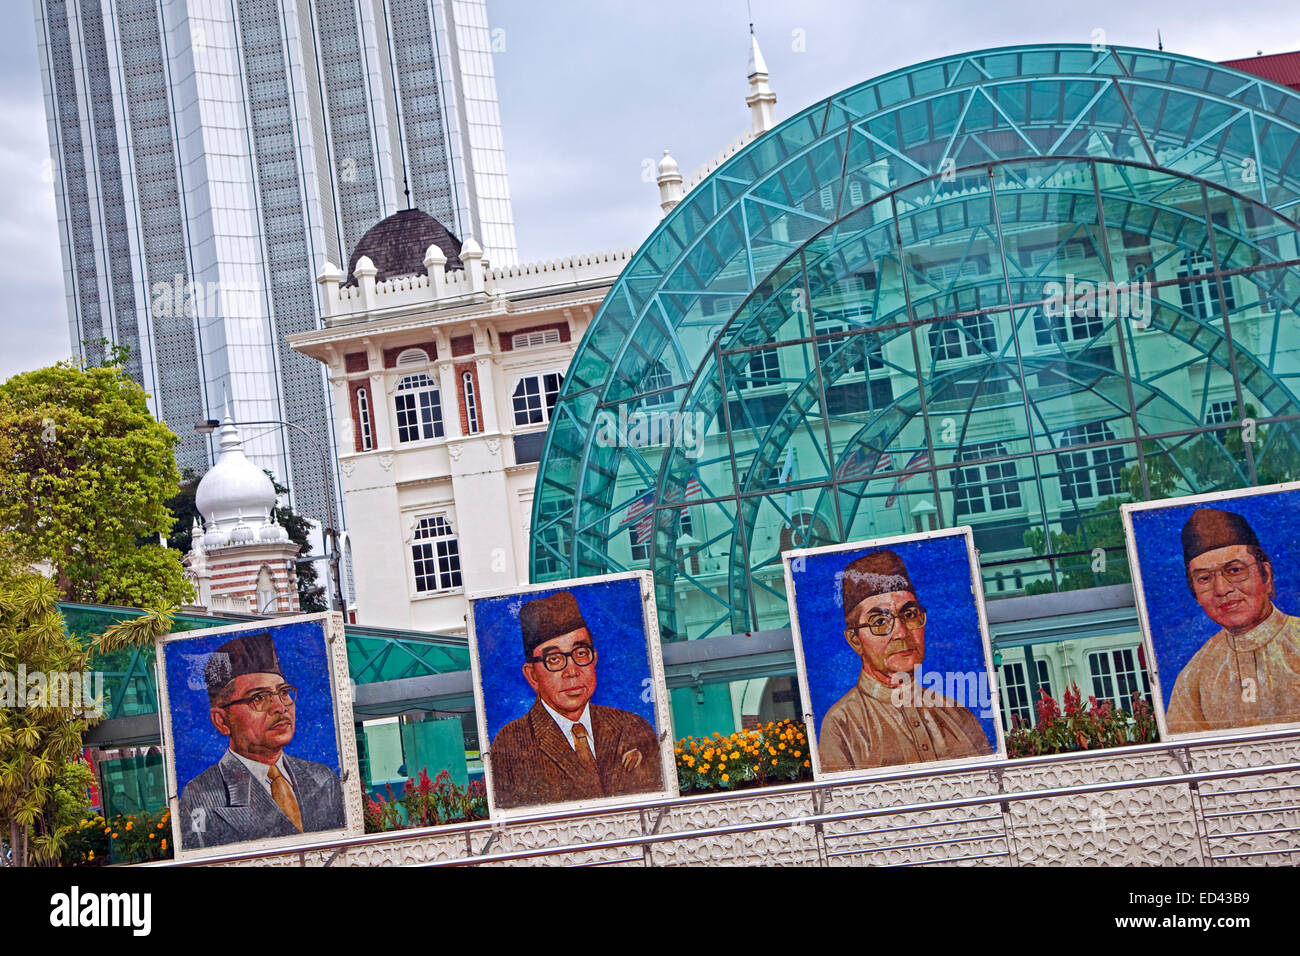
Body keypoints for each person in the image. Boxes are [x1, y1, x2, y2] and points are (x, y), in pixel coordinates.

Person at [818, 549, 992, 772]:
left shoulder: (955, 713)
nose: (901, 632)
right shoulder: (842, 725)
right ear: (855, 640)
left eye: (909, 615)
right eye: (880, 621)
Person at [488, 591, 663, 809]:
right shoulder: (510, 745)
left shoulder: (633, 728)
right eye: (554, 659)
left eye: (580, 653)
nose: (572, 671)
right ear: (532, 675)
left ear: (594, 659)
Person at [177, 632, 345, 850]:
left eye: (283, 692)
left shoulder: (322, 778)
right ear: (222, 721)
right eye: (258, 698)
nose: (280, 707)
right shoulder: (201, 795)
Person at [1165, 508, 1300, 734]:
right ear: (1195, 593)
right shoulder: (1194, 676)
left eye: (1235, 570)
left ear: (1265, 574)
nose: (1222, 589)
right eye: (1205, 578)